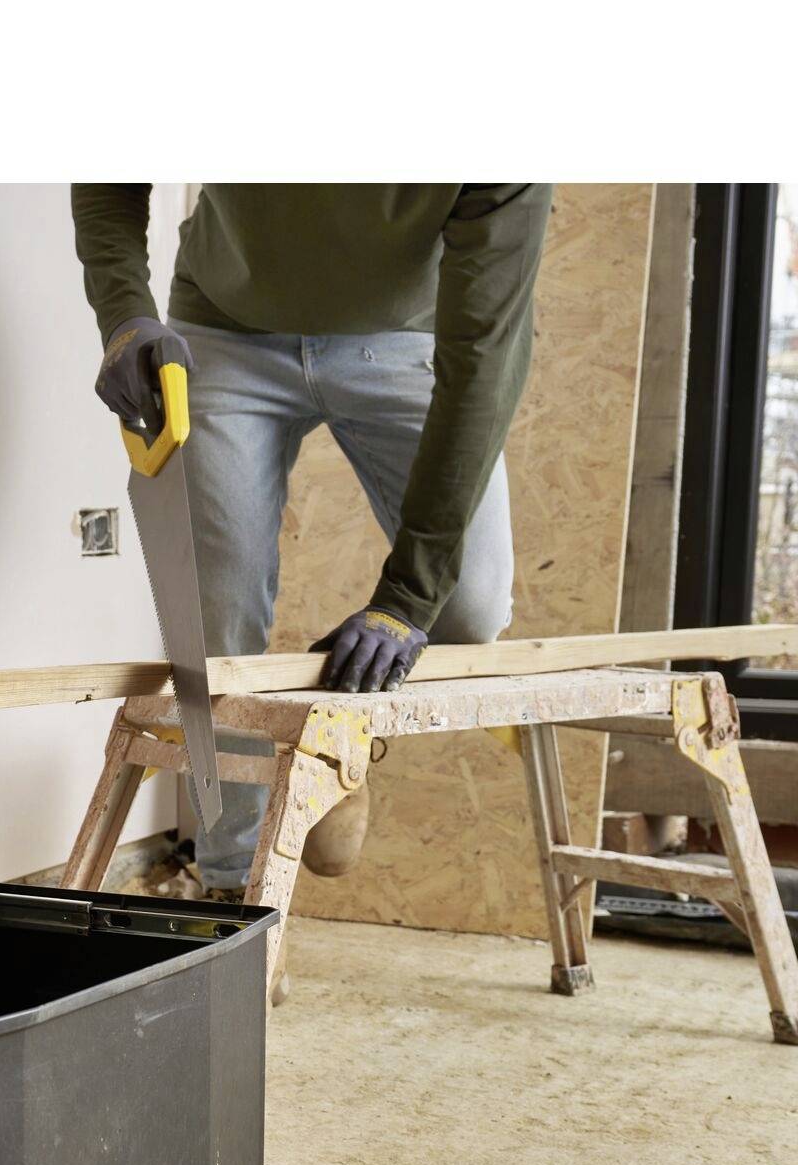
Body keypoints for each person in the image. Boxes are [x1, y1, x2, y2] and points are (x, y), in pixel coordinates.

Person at [72, 183, 552, 894]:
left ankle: (324, 752)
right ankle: (237, 884)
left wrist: (406, 599)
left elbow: (485, 356)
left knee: (467, 607)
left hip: (405, 335)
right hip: (225, 330)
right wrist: (125, 316)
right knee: (217, 619)